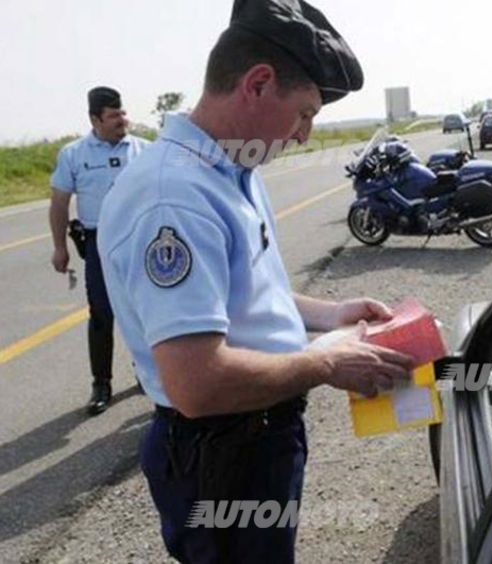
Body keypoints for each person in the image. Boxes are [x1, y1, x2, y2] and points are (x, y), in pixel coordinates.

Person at [97, 1, 415, 561]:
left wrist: (330, 314)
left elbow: (245, 296)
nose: (303, 135)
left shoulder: (233, 171)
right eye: (305, 114)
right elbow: (199, 383)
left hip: (258, 434)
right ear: (259, 83)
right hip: (222, 451)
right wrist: (326, 363)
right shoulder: (175, 196)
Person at [49, 87, 150, 415]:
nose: (123, 120)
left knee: (144, 309)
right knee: (101, 313)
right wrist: (59, 248)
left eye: (123, 113)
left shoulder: (144, 149)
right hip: (98, 242)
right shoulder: (74, 154)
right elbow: (60, 202)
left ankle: (148, 372)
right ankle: (101, 384)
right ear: (94, 119)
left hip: (140, 239)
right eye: (113, 115)